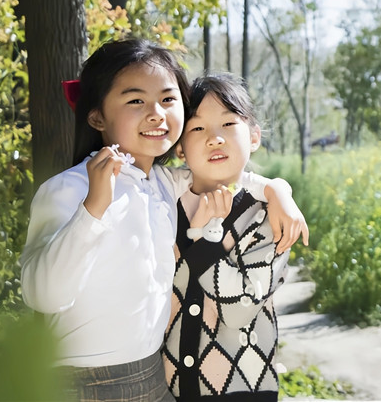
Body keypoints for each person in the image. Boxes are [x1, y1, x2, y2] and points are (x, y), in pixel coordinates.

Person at [20, 38, 307, 401]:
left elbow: (221, 172)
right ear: (97, 116)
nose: (156, 113)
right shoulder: (69, 188)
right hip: (83, 381)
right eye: (136, 100)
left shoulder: (160, 182)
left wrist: (279, 190)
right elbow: (42, 295)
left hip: (155, 378)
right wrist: (92, 210)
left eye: (168, 99)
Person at [162, 74, 290, 401]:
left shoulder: (267, 215)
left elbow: (238, 311)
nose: (214, 139)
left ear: (254, 137)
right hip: (167, 386)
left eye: (229, 124)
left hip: (242, 389)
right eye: (197, 128)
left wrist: (204, 239)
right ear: (179, 148)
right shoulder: (164, 202)